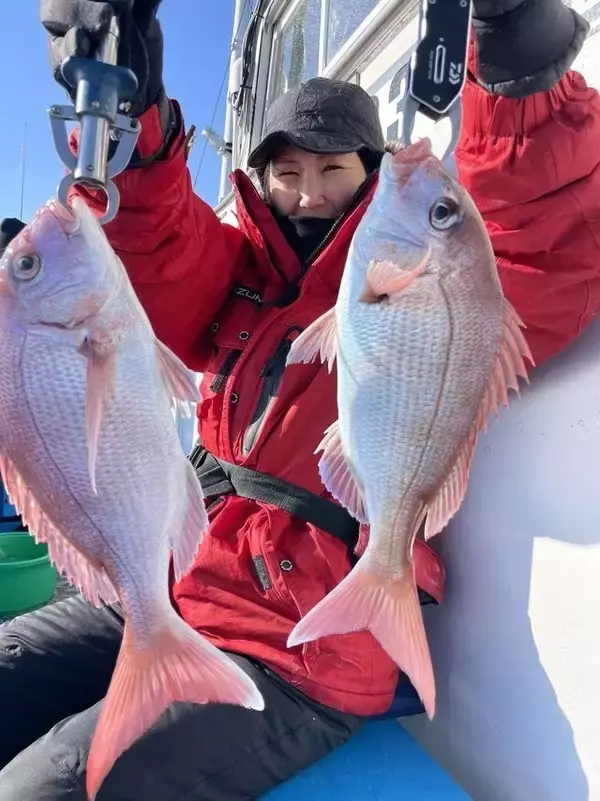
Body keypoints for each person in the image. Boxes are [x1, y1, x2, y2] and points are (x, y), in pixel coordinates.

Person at [0, 0, 598, 798]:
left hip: (300, 646)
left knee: (42, 786)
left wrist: (517, 48)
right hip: (185, 586)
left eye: (331, 169)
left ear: (372, 170)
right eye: (286, 173)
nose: (308, 194)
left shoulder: (434, 277)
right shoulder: (240, 277)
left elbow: (535, 236)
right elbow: (157, 241)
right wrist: (131, 107)